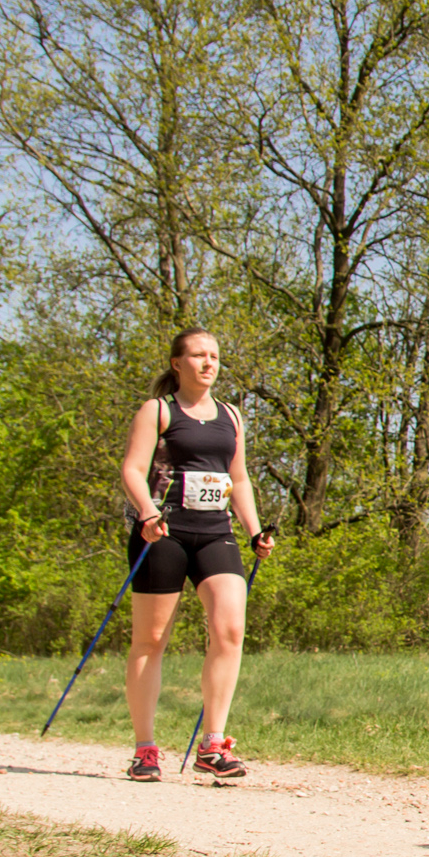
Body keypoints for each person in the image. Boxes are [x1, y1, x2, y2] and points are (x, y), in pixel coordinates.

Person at [119, 328, 273, 782]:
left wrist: (255, 528)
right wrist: (147, 514)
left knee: (230, 628)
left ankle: (214, 744)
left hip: (214, 532)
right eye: (199, 356)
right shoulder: (158, 411)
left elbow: (238, 478)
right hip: (163, 531)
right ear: (177, 363)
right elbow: (132, 468)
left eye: (215, 356)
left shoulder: (231, 416)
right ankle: (145, 748)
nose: (209, 363)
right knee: (151, 640)